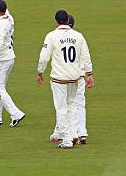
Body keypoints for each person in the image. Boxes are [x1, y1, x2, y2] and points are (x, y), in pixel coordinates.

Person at [37, 10, 94, 149]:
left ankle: (66, 139)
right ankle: (74, 134)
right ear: (68, 20)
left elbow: (44, 57)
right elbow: (86, 55)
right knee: (72, 105)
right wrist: (90, 73)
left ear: (56, 21)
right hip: (75, 77)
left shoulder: (51, 36)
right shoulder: (78, 36)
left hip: (59, 78)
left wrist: (40, 71)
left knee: (61, 108)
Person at [0, 0, 26, 127]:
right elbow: (7, 11)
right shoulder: (9, 19)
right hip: (9, 58)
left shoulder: (0, 25)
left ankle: (16, 113)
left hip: (1, 60)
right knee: (0, 87)